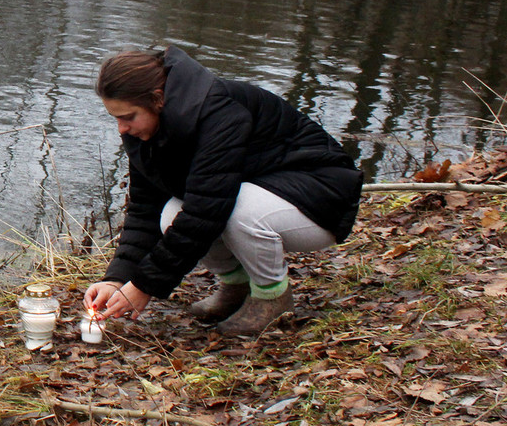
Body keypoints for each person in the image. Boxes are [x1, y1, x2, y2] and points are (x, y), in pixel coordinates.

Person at [83, 46, 363, 335]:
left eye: (128, 117)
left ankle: (272, 297)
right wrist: (117, 279)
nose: (121, 129)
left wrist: (144, 286)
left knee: (236, 209)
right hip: (267, 189)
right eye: (116, 118)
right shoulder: (146, 131)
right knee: (170, 213)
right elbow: (145, 209)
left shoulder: (220, 113)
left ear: (157, 99)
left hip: (323, 198)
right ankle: (237, 286)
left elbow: (207, 210)